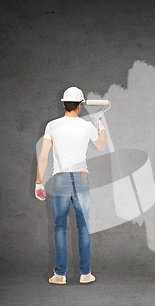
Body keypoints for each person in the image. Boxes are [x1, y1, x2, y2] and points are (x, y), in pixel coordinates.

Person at [35, 86, 106, 285]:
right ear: (80, 105)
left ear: (64, 104)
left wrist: (38, 182)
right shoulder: (86, 126)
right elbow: (101, 145)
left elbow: (43, 156)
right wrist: (101, 129)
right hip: (82, 178)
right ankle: (85, 274)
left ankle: (60, 275)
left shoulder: (52, 125)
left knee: (59, 227)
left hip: (60, 179)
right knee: (83, 227)